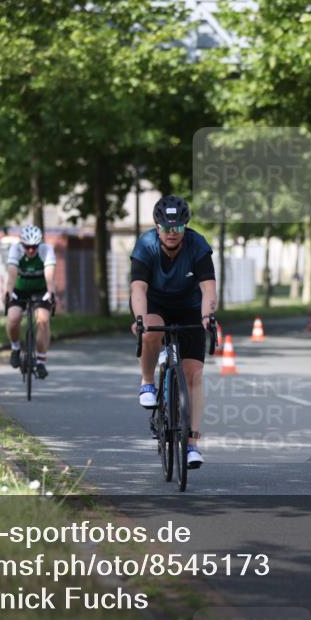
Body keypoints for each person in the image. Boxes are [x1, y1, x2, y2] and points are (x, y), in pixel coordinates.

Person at [130, 195, 218, 469]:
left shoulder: (197, 245)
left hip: (190, 308)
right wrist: (141, 319)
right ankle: (147, 381)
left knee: (194, 374)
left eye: (177, 228)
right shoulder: (145, 245)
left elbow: (208, 288)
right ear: (157, 227)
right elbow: (138, 289)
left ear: (184, 227)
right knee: (151, 331)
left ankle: (191, 443)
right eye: (166, 227)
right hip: (155, 305)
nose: (171, 233)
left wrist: (207, 317)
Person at [5, 225, 57, 379]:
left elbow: (50, 275)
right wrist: (8, 292)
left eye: (34, 247)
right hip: (20, 290)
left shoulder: (46, 250)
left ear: (39, 244)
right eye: (27, 247)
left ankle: (41, 360)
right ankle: (15, 348)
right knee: (13, 318)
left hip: (41, 290)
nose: (31, 251)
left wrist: (52, 293)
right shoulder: (15, 250)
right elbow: (12, 274)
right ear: (22, 245)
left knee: (43, 320)